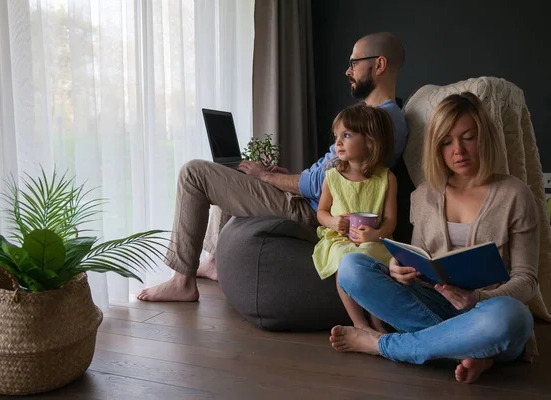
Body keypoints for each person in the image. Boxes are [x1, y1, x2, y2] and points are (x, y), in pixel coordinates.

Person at [137, 32, 409, 302]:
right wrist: (278, 177)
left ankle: (182, 281)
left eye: (354, 63)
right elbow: (331, 173)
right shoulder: (375, 117)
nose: (348, 70)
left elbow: (321, 183)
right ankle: (212, 261)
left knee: (193, 172)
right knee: (234, 172)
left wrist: (267, 177)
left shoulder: (381, 121)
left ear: (379, 65)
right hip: (309, 200)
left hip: (313, 211)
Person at [329, 92, 538, 384]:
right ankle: (474, 352)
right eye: (446, 141)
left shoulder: (515, 194)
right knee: (352, 268)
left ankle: (381, 346)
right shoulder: (424, 196)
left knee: (512, 317)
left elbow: (527, 281)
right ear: (435, 147)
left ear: (484, 138)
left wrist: (479, 297)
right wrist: (398, 269)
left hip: (489, 313)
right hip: (436, 305)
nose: (458, 151)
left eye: (468, 137)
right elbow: (421, 261)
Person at [312, 103, 397, 334]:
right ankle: (359, 324)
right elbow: (321, 213)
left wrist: (376, 234)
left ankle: (377, 319)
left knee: (378, 259)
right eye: (337, 136)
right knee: (344, 259)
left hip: (373, 239)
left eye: (346, 135)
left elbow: (390, 221)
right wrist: (333, 221)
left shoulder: (386, 178)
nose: (337, 142)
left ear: (370, 141)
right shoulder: (332, 177)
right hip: (340, 239)